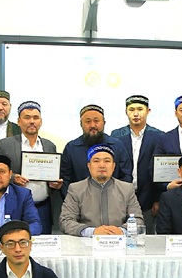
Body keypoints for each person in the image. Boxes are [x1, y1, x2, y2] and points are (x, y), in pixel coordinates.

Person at [0, 101, 63, 234]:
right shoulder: (5, 145)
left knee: (43, 244)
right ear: (19, 121)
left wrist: (56, 183)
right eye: (27, 117)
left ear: (40, 122)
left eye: (35, 118)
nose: (32, 121)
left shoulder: (49, 145)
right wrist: (13, 178)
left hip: (43, 207)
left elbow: (54, 173)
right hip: (16, 207)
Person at [60, 144, 143, 236]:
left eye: (107, 161)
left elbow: (138, 220)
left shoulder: (126, 189)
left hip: (119, 240)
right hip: (87, 242)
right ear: (89, 166)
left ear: (113, 166)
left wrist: (121, 231)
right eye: (96, 161)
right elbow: (66, 221)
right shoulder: (76, 189)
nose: (102, 165)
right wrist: (92, 232)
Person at [111, 95, 162, 232]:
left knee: (146, 236)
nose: (135, 113)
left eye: (140, 109)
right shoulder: (116, 136)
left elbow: (160, 171)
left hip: (149, 198)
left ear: (148, 111)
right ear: (126, 112)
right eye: (131, 109)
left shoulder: (159, 136)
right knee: (120, 234)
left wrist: (158, 199)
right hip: (120, 197)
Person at [60, 105, 133, 187]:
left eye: (96, 121)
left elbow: (126, 175)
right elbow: (65, 180)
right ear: (81, 124)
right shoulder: (71, 148)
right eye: (88, 121)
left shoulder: (117, 145)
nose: (92, 125)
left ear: (104, 123)